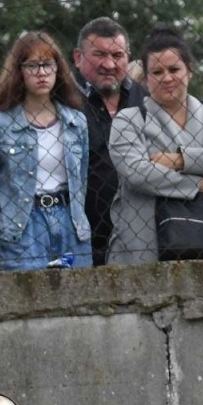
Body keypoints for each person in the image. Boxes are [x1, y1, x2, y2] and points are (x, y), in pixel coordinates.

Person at [107, 30, 203, 265]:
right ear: (145, 79)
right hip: (141, 248)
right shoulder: (128, 120)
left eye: (174, 70)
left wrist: (179, 160)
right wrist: (199, 184)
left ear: (190, 71)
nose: (166, 78)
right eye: (157, 72)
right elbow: (136, 173)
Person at [0, 31, 92, 270]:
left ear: (58, 69)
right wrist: (1, 226)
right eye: (32, 66)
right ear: (19, 71)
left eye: (47, 65)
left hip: (71, 223)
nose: (41, 73)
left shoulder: (76, 122)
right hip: (22, 226)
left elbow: (82, 178)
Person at [72, 18, 148, 265]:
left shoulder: (147, 101)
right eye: (99, 54)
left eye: (117, 55)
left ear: (128, 56)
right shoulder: (63, 104)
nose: (109, 64)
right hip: (82, 240)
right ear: (78, 57)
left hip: (142, 235)